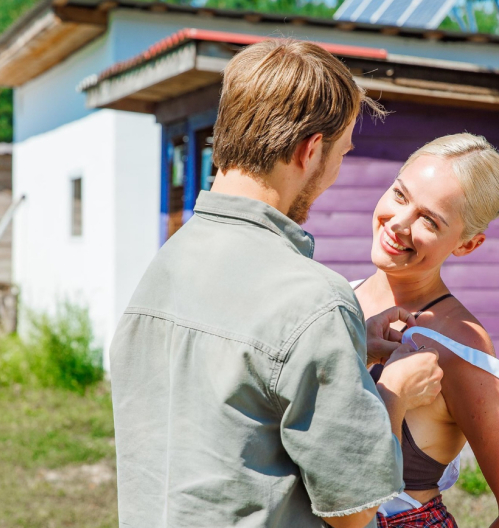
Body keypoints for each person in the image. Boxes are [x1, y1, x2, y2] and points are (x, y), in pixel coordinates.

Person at [109, 39, 443, 528]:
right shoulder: (315, 300)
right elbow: (352, 512)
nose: (336, 170)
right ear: (310, 151)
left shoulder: (165, 266)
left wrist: (346, 351)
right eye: (342, 154)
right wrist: (391, 393)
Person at [352, 133, 499, 528]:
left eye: (429, 220)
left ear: (467, 245)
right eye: (400, 195)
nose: (399, 223)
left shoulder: (461, 345)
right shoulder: (338, 298)